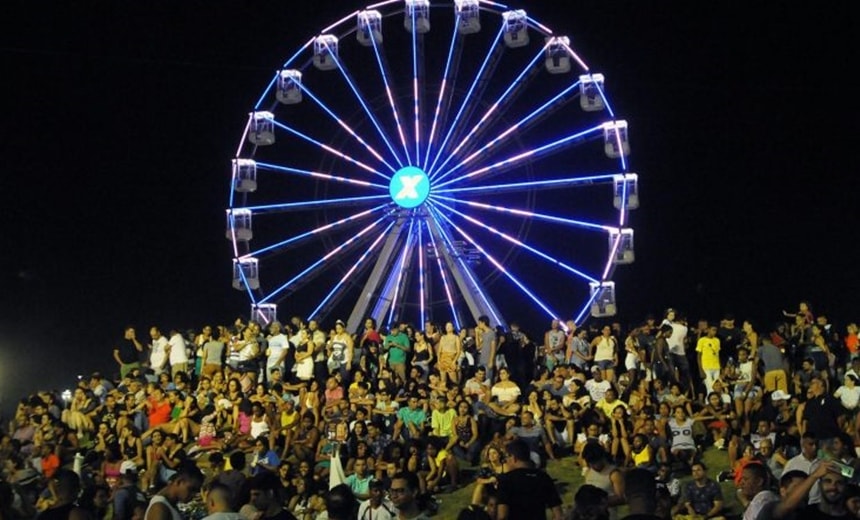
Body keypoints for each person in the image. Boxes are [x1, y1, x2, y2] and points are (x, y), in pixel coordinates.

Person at [495, 439, 562, 520]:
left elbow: (502, 515)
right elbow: (558, 514)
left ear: (513, 458)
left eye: (506, 457)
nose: (505, 461)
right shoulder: (543, 477)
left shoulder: (506, 480)